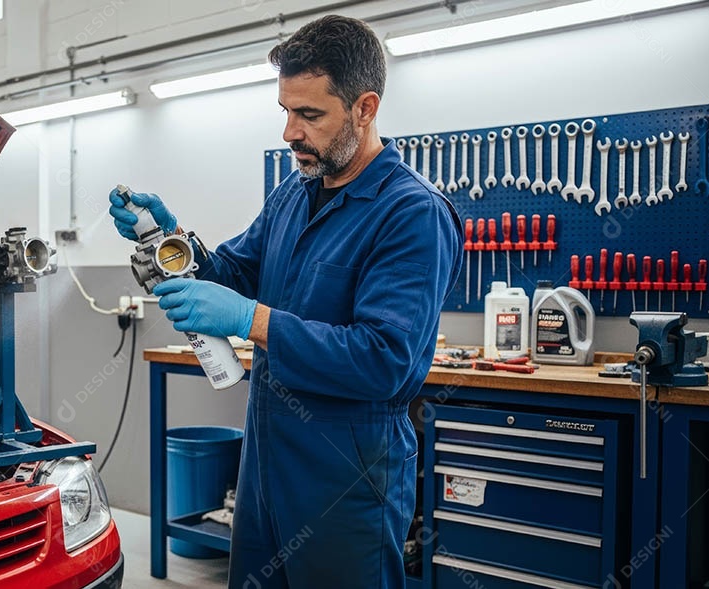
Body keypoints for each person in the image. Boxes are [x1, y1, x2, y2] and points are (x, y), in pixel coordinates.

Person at [109, 15, 462, 589]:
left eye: (310, 115)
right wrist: (170, 238)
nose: (290, 132)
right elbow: (230, 273)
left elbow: (385, 359)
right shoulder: (293, 196)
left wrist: (251, 320)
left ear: (365, 108)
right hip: (266, 464)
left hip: (347, 477)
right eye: (286, 112)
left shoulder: (412, 214)